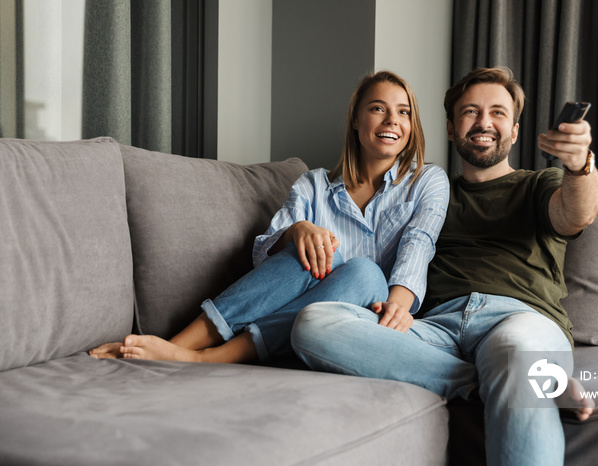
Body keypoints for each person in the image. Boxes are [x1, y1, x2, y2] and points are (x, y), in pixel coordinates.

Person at [291, 66, 598, 466]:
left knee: (516, 354)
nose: (484, 122)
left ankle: (521, 375)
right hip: (436, 329)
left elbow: (576, 214)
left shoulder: (537, 184)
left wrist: (579, 167)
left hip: (519, 320)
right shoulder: (426, 191)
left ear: (515, 131)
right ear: (452, 129)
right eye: (470, 112)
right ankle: (502, 383)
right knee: (314, 323)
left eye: (498, 113)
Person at [89, 70, 449, 364]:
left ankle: (211, 359)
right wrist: (297, 231)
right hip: (290, 319)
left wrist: (397, 309)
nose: (392, 120)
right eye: (378, 108)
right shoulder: (314, 184)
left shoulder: (427, 181)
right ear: (356, 119)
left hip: (359, 318)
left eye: (404, 112)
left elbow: (419, 244)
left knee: (364, 271)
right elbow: (262, 257)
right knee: (318, 246)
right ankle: (175, 346)